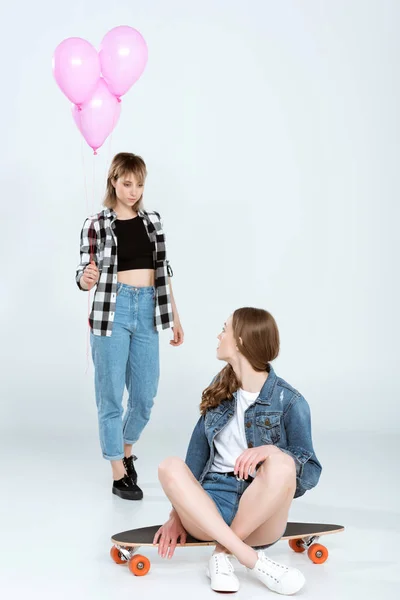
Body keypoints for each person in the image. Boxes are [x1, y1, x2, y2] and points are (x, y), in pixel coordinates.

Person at [155, 307, 321, 594]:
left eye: (224, 329)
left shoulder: (290, 400)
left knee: (282, 464)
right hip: (211, 509)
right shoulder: (219, 388)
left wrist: (272, 452)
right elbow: (194, 460)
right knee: (169, 466)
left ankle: (222, 553)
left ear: (241, 340)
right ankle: (249, 559)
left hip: (262, 513)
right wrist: (176, 515)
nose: (219, 336)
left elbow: (311, 473)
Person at [76, 152, 184, 501]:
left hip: (149, 309)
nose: (133, 190)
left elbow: (163, 272)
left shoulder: (153, 221)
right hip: (112, 311)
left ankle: (125, 450)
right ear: (113, 181)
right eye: (126, 183)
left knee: (144, 397)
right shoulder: (95, 223)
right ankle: (118, 473)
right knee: (110, 398)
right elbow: (83, 275)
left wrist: (175, 318)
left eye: (139, 184)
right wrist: (86, 279)